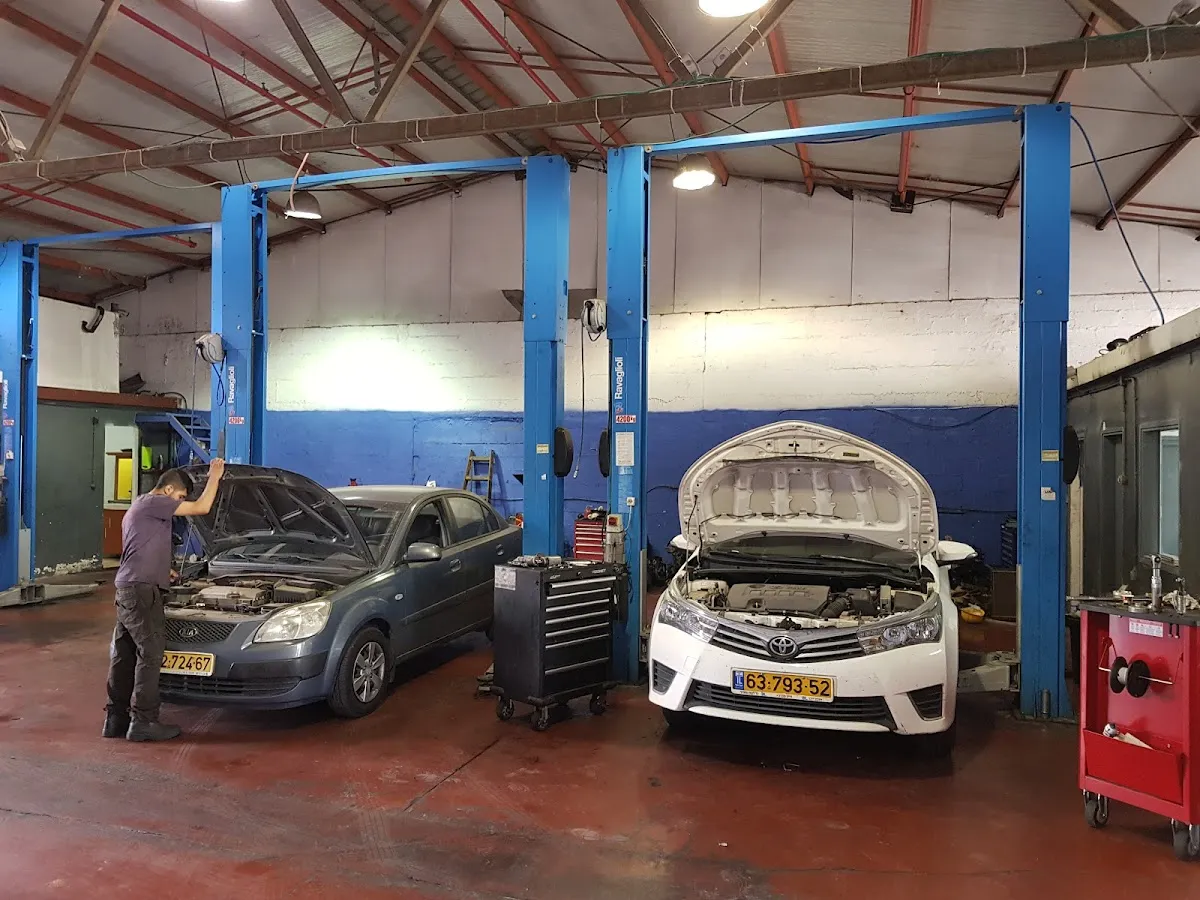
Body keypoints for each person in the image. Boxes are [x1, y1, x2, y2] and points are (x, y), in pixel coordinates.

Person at [103, 458, 226, 742]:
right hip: (141, 590)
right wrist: (215, 476)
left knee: (124, 654)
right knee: (151, 653)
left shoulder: (141, 506)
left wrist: (164, 570)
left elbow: (139, 547)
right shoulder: (155, 502)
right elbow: (202, 508)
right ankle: (144, 721)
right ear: (169, 490)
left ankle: (116, 719)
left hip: (129, 587)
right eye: (181, 497)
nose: (180, 503)